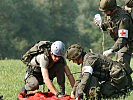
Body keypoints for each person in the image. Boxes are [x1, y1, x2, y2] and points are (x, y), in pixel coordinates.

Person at [66, 44, 131, 100]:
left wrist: (78, 94)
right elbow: (80, 78)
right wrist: (74, 91)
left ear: (77, 57)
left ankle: (124, 93)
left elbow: (86, 77)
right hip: (114, 78)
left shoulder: (89, 60)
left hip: (119, 78)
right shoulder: (86, 61)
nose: (73, 62)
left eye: (73, 60)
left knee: (102, 93)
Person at [94, 0, 133, 87]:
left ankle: (127, 87)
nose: (104, 13)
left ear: (112, 9)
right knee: (121, 65)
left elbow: (123, 39)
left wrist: (111, 50)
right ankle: (128, 87)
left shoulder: (123, 18)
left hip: (128, 43)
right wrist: (101, 25)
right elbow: (109, 26)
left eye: (105, 11)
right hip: (122, 43)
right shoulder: (109, 15)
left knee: (121, 63)